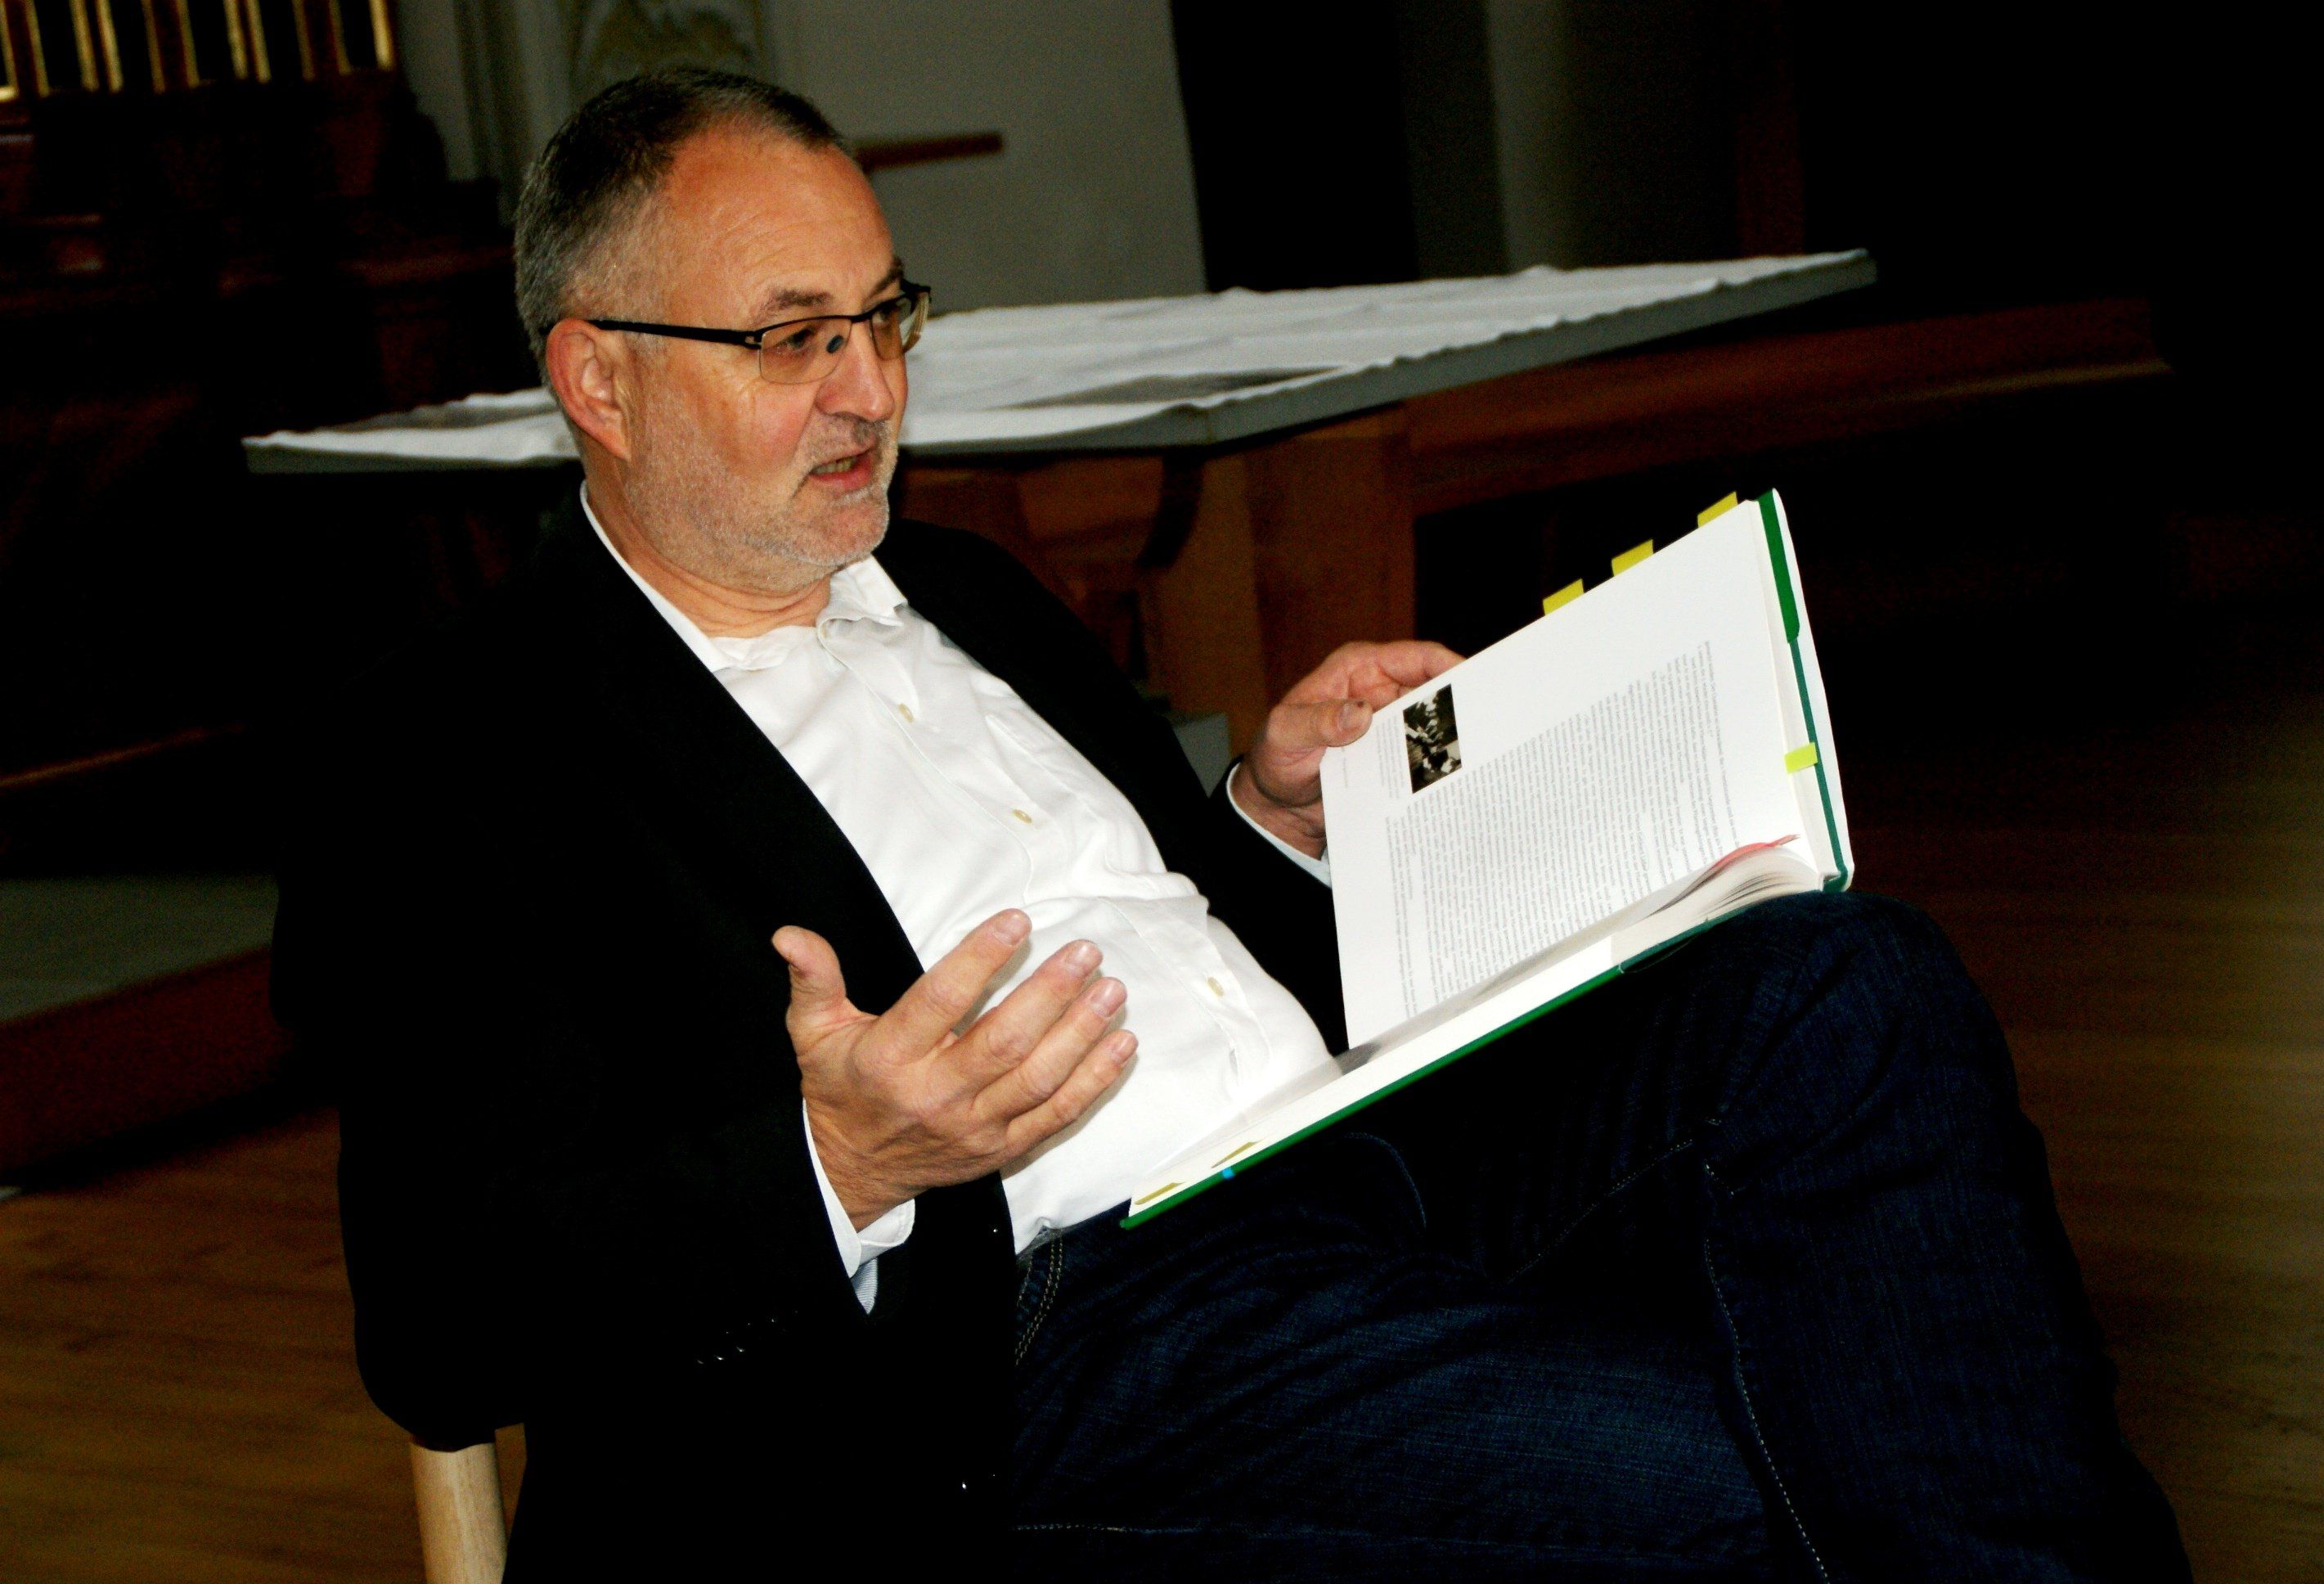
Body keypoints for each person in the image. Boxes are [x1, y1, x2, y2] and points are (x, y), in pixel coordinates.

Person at [272, 68, 2188, 1581]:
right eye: (793, 341)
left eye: (884, 315)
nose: (875, 391)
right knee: (1808, 1449)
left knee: (1840, 979)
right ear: (598, 379)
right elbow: (437, 1319)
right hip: (1063, 1326)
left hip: (1352, 1136)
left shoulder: (964, 584)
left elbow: (1176, 938)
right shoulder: (457, 750)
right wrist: (837, 1154)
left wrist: (1270, 817)